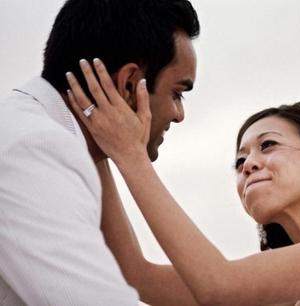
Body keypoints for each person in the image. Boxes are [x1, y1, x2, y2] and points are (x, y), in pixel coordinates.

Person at [66, 60, 300, 305]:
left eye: (268, 145)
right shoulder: (274, 291)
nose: (248, 165)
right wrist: (99, 143)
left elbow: (221, 288)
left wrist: (130, 154)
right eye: (239, 160)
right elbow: (137, 276)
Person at [0, 0, 199, 304]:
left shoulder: (42, 130)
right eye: (177, 93)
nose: (178, 115)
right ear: (130, 85)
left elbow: (133, 274)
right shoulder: (36, 149)